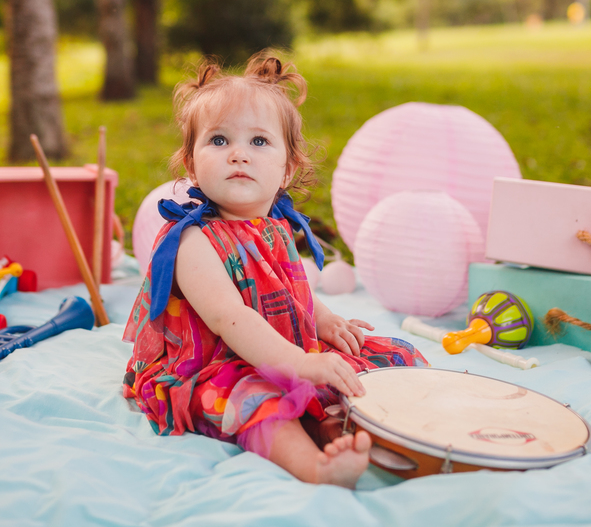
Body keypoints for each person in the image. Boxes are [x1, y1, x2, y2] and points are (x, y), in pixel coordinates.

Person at [123, 52, 428, 487]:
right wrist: (301, 364)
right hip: (217, 364)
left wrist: (323, 320)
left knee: (388, 357)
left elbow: (287, 284)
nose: (238, 156)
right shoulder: (193, 241)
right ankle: (315, 465)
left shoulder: (276, 227)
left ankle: (335, 423)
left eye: (259, 142)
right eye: (219, 141)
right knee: (255, 399)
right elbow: (231, 317)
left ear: (286, 169)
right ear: (191, 165)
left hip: (283, 348)